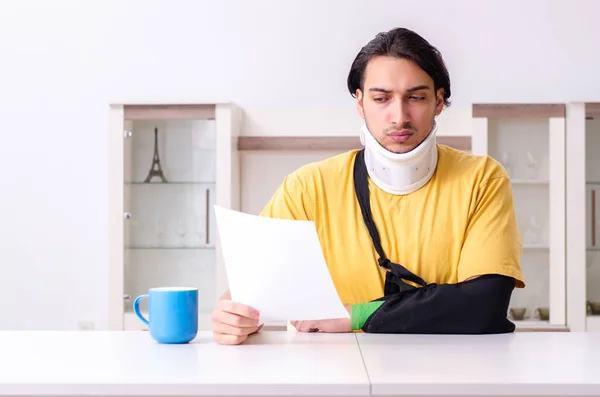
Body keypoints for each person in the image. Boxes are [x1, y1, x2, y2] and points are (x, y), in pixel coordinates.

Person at [211, 27, 525, 345]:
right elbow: (251, 290)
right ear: (360, 103)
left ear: (439, 101)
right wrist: (231, 315)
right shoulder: (308, 188)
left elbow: (485, 304)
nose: (399, 116)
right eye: (381, 98)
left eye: (416, 97)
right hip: (334, 376)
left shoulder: (482, 180)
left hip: (448, 373)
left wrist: (357, 315)